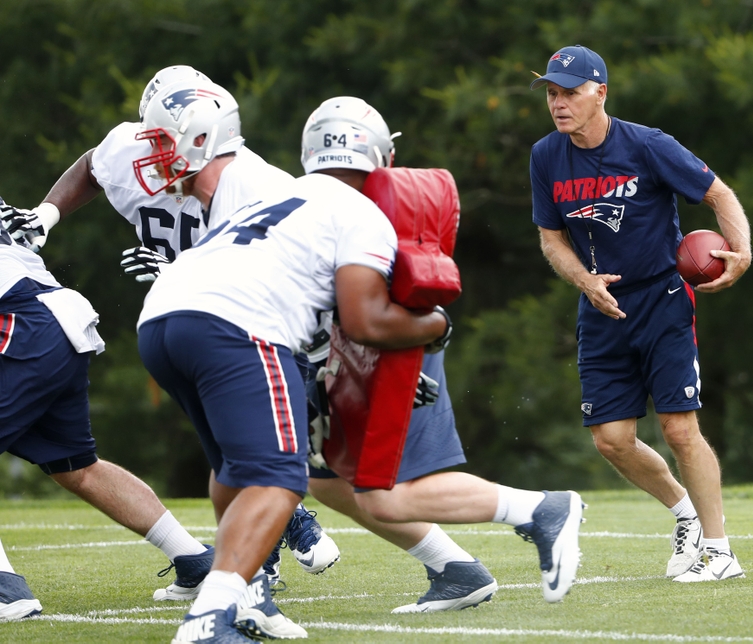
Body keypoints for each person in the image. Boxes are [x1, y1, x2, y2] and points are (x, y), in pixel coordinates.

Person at [130, 79, 459, 642]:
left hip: (162, 318)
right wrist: (433, 328)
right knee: (282, 478)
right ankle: (211, 619)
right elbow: (364, 320)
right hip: (233, 324)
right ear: (382, 155)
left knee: (235, 472)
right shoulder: (355, 210)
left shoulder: (269, 192)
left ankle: (246, 597)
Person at [0, 65, 340, 595]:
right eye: (150, 137)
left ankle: (273, 544)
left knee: (252, 433)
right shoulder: (133, 149)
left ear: (202, 139)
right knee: (216, 436)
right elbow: (94, 165)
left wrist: (184, 271)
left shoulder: (254, 183)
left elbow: (284, 273)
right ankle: (246, 558)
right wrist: (48, 213)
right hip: (190, 312)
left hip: (259, 313)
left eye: (163, 141)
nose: (150, 155)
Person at [297, 96, 586, 612]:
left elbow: (365, 313)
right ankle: (456, 570)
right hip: (359, 346)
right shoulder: (329, 203)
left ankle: (541, 508)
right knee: (328, 483)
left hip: (388, 346)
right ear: (381, 153)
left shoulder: (336, 207)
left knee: (386, 493)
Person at [528, 45, 752, 582]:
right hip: (600, 308)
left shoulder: (649, 144)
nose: (559, 104)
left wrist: (741, 252)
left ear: (599, 92)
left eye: (571, 93)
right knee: (611, 440)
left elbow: (720, 194)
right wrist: (583, 279)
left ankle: (721, 554)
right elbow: (551, 237)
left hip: (663, 299)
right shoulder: (545, 156)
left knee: (679, 428)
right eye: (553, 94)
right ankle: (685, 515)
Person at [0, 204, 215, 620]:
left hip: (22, 320)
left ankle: (6, 593)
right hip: (56, 319)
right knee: (77, 466)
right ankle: (194, 558)